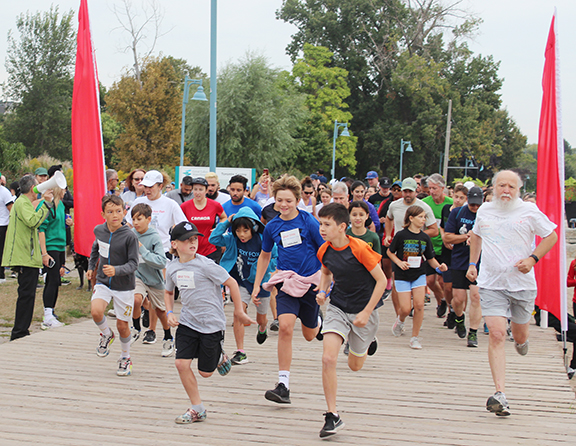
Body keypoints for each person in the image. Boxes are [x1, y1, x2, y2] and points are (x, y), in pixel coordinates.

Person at [466, 170, 557, 416]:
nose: (506, 190)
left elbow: (552, 235)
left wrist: (532, 258)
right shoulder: (484, 210)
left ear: (518, 190)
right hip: (491, 282)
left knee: (518, 335)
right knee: (496, 334)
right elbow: (476, 235)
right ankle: (500, 394)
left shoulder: (528, 211)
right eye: (502, 185)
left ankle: (522, 340)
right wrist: (473, 264)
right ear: (493, 187)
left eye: (511, 187)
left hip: (522, 284)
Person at [165, 221, 255, 424]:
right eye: (187, 240)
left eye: (195, 239)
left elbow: (231, 283)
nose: (192, 242)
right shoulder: (171, 268)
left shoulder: (206, 265)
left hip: (212, 323)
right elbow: (169, 291)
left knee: (205, 373)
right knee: (181, 363)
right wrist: (170, 311)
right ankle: (197, 409)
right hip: (187, 322)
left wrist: (239, 311)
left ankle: (219, 355)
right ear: (174, 244)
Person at [251, 175, 325, 404]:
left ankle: (318, 322)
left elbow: (324, 251)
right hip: (285, 281)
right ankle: (283, 384)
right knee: (285, 328)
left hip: (310, 282)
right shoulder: (272, 226)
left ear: (297, 200)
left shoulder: (308, 221)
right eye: (279, 200)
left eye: (289, 201)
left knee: (310, 335)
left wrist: (325, 285)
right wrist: (257, 286)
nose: (283, 205)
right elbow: (264, 256)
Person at [316, 203, 386, 438]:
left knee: (355, 365)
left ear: (342, 227)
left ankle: (366, 342)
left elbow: (382, 281)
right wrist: (322, 291)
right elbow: (326, 272)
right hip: (337, 307)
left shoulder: (360, 249)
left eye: (327, 225)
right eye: (320, 224)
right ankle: (332, 415)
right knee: (328, 358)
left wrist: (366, 312)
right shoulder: (324, 250)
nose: (322, 229)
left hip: (364, 311)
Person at [209, 207, 278, 364]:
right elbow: (213, 239)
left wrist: (269, 271)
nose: (241, 234)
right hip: (239, 281)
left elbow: (275, 256)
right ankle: (241, 352)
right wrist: (226, 222)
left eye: (245, 230)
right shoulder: (232, 239)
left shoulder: (263, 239)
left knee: (261, 318)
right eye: (238, 230)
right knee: (238, 313)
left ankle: (262, 328)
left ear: (253, 227)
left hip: (261, 283)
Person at [126, 170, 187, 344]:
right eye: (144, 186)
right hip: (139, 254)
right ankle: (140, 322)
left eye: (151, 187)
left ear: (160, 186)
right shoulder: (138, 202)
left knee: (157, 295)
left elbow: (181, 225)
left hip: (162, 254)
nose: (147, 190)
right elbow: (128, 224)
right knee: (138, 294)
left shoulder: (170, 204)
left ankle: (152, 330)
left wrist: (178, 244)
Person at [88, 195, 139, 376]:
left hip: (124, 286)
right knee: (96, 311)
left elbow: (134, 264)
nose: (115, 215)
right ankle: (106, 334)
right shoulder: (99, 231)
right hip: (103, 282)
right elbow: (95, 249)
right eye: (110, 212)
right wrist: (90, 267)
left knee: (122, 326)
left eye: (118, 211)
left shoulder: (130, 236)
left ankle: (125, 357)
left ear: (124, 212)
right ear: (103, 214)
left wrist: (116, 270)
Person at [387, 205, 447, 349]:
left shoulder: (425, 237)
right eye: (420, 217)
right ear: (411, 218)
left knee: (419, 305)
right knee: (406, 308)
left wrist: (439, 267)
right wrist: (399, 262)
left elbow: (430, 258)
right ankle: (400, 321)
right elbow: (390, 252)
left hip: (419, 274)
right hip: (402, 275)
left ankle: (415, 337)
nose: (423, 220)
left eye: (424, 217)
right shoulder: (401, 235)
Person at [3, 175, 53, 340]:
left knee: (28, 294)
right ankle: (19, 332)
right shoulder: (22, 202)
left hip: (27, 256)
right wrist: (46, 203)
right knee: (26, 295)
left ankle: (22, 330)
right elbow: (33, 222)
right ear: (33, 188)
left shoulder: (24, 202)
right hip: (24, 256)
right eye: (38, 186)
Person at [384, 178, 437, 317]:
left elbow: (434, 230)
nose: (407, 195)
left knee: (416, 284)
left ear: (416, 191)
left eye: (410, 192)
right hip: (398, 250)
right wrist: (388, 235)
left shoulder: (423, 207)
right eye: (405, 191)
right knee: (396, 283)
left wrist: (416, 236)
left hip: (416, 252)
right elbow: (389, 218)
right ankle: (399, 315)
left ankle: (415, 307)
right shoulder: (394, 205)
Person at [129, 203, 173, 356]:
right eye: (133, 219)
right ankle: (135, 328)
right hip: (137, 276)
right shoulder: (131, 234)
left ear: (148, 219)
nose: (135, 222)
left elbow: (161, 261)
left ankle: (168, 337)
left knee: (161, 311)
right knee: (136, 299)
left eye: (139, 219)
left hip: (154, 279)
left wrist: (142, 249)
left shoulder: (154, 237)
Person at [444, 186, 483, 347]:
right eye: (472, 204)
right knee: (458, 299)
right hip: (460, 260)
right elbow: (447, 236)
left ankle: (473, 333)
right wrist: (465, 237)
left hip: (480, 262)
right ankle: (459, 318)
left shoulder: (487, 215)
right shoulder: (457, 213)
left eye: (477, 205)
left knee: (476, 297)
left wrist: (477, 239)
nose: (474, 207)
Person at [37, 183, 70, 329]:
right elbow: (41, 229)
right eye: (63, 188)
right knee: (52, 279)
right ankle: (47, 315)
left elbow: (58, 225)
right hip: (50, 246)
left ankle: (51, 312)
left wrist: (67, 223)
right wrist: (44, 253)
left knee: (56, 280)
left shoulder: (61, 205)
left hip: (59, 246)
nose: (65, 191)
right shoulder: (47, 206)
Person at [422, 174, 453, 317]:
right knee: (430, 280)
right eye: (430, 188)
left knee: (442, 280)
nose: (432, 191)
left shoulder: (450, 203)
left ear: (442, 188)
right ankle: (442, 301)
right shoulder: (425, 203)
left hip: (446, 247)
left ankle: (447, 303)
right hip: (430, 247)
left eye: (435, 188)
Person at [180, 177, 227, 263]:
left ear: (206, 190)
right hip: (191, 248)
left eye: (201, 189)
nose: (198, 193)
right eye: (195, 189)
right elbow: (178, 223)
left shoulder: (215, 205)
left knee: (210, 275)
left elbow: (224, 217)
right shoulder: (184, 206)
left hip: (211, 248)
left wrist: (219, 228)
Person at [0, 181, 15, 284]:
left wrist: (11, 226)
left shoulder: (4, 192)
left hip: (2, 224)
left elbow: (12, 210)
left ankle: (1, 275)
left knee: (1, 250)